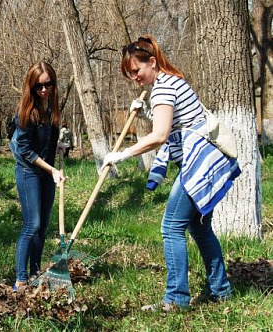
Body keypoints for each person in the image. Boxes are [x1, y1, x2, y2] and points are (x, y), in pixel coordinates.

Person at [102, 35, 241, 311]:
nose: (134, 78)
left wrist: (122, 154)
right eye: (129, 74)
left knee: (171, 227)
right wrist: (143, 114)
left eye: (136, 70)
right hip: (208, 161)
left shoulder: (163, 87)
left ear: (152, 62)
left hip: (198, 164)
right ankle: (221, 289)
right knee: (199, 228)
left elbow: (161, 135)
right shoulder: (169, 81)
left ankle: (177, 299)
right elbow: (176, 121)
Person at [10, 61, 66, 291]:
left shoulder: (52, 109)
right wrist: (52, 169)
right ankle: (21, 279)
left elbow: (46, 142)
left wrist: (58, 144)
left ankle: (35, 273)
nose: (44, 90)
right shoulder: (26, 112)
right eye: (38, 86)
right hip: (28, 172)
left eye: (48, 84)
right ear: (31, 87)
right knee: (31, 225)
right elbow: (25, 149)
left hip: (46, 172)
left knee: (42, 227)